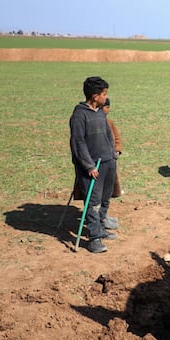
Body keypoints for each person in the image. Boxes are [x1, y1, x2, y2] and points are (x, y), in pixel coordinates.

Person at [69, 76, 118, 253]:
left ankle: (101, 227)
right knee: (93, 203)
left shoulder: (100, 113)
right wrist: (89, 166)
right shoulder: (79, 115)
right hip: (92, 167)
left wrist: (112, 154)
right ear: (95, 96)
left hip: (108, 162)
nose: (106, 98)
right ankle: (94, 239)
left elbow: (107, 134)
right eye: (104, 94)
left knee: (105, 199)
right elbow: (78, 142)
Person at [101, 97, 123, 199]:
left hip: (110, 157)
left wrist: (117, 150)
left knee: (109, 182)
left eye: (104, 107)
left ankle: (104, 208)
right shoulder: (93, 122)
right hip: (97, 158)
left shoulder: (109, 122)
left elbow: (117, 138)